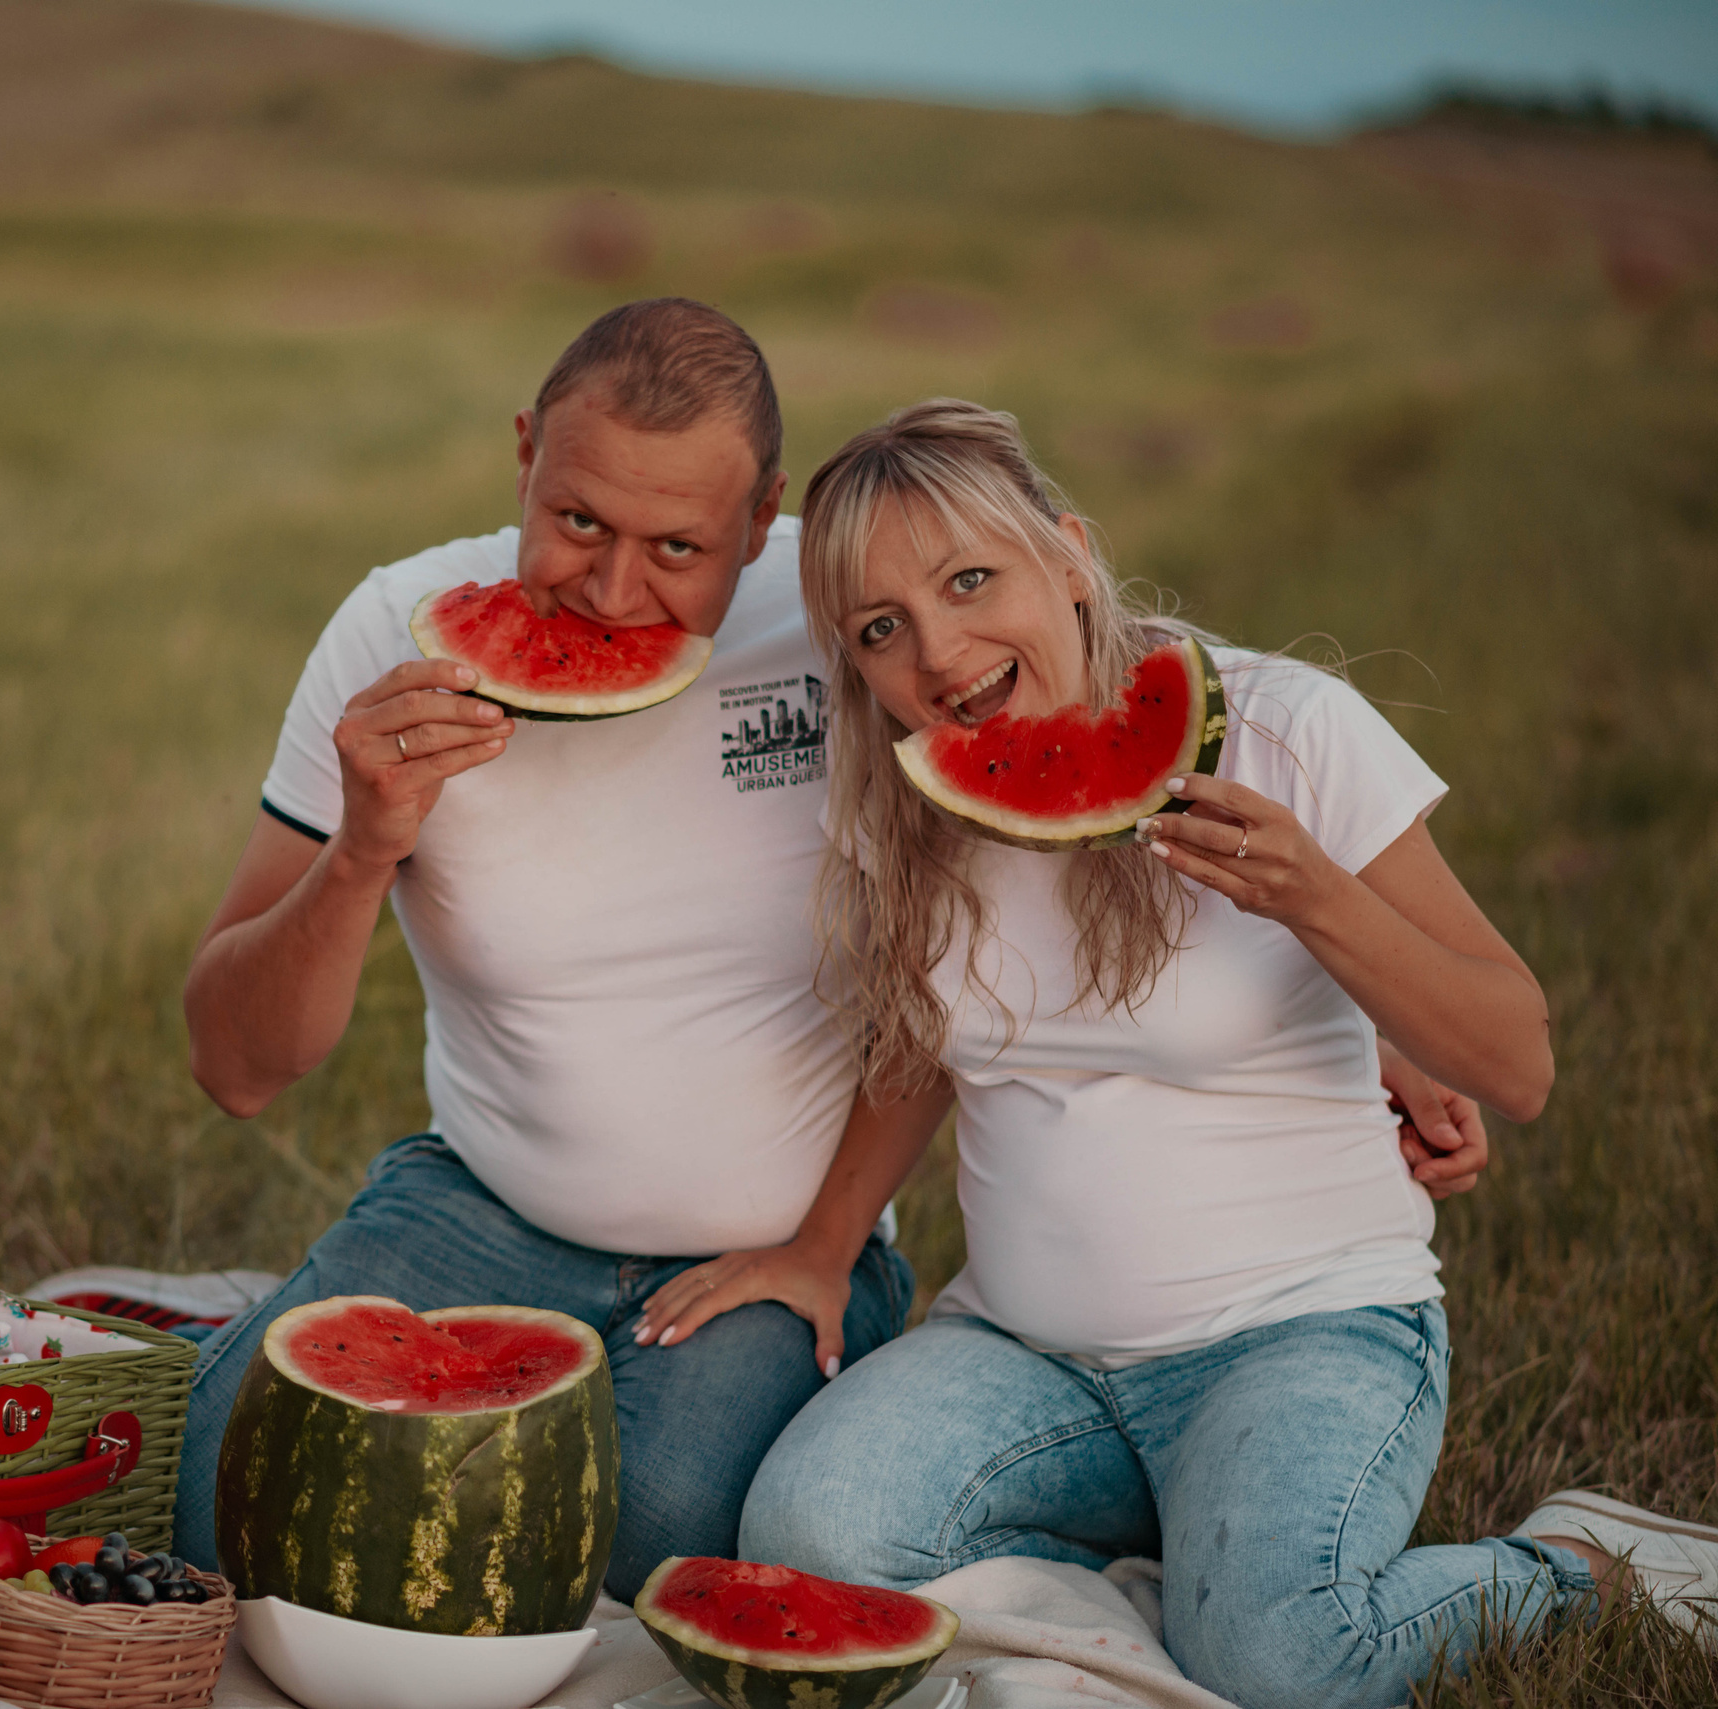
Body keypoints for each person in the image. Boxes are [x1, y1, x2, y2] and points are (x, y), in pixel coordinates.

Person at [169, 303, 1491, 1600]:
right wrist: (361, 851)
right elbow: (235, 1069)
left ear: (763, 522)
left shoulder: (861, 613)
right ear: (524, 454)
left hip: (782, 1248)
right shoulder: (393, 638)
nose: (616, 591)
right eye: (576, 521)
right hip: (483, 1201)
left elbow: (1108, 703)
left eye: (678, 545)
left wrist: (1353, 1005)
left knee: (659, 1530)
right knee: (219, 1491)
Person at [707, 400, 1714, 1707]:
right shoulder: (903, 791)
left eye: (970, 580)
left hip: (1301, 1332)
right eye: (880, 629)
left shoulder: (1292, 728)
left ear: (1071, 557)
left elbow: (1517, 1059)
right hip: (1025, 1350)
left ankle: (1580, 1569)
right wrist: (822, 1244)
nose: (940, 654)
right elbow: (929, 1053)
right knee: (808, 1541)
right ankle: (1189, 1575)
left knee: (1284, 1663)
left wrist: (1319, 901)